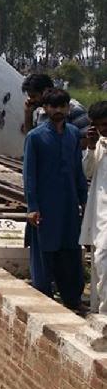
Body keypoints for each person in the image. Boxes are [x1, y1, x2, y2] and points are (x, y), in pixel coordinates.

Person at [23, 88, 88, 310]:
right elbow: (29, 174)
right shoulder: (35, 137)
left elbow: (78, 170)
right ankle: (44, 298)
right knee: (45, 250)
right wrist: (32, 207)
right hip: (46, 204)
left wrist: (84, 199)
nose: (58, 110)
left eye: (62, 106)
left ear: (68, 108)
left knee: (70, 249)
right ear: (46, 109)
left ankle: (72, 298)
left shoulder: (72, 134)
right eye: (54, 106)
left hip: (69, 203)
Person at [81, 101, 107, 313]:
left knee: (103, 260)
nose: (104, 129)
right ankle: (98, 311)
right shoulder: (99, 145)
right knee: (99, 262)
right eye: (99, 126)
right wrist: (90, 146)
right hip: (100, 215)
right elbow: (87, 172)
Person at [22, 73, 89, 135]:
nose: (31, 100)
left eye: (33, 96)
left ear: (46, 91)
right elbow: (32, 139)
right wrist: (28, 114)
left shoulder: (74, 109)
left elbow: (86, 140)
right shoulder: (41, 112)